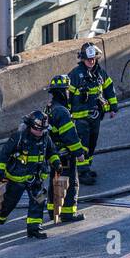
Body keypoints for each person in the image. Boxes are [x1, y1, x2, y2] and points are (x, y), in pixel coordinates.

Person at [0, 110, 56, 239]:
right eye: (38, 130)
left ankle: (34, 229)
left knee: (39, 200)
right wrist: (0, 171)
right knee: (9, 203)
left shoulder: (46, 137)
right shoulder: (19, 137)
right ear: (31, 126)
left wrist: (57, 162)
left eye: (43, 130)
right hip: (17, 179)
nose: (40, 132)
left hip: (36, 178)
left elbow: (51, 152)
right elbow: (4, 154)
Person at [67, 42, 117, 186]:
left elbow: (109, 89)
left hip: (96, 117)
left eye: (93, 58)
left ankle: (86, 168)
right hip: (80, 118)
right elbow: (67, 96)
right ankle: (82, 172)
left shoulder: (100, 73)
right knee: (83, 146)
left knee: (92, 144)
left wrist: (113, 106)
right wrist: (68, 115)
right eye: (88, 59)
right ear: (82, 59)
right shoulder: (75, 75)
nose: (91, 61)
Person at [45, 74, 86, 222]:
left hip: (53, 155)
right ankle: (68, 213)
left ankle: (53, 211)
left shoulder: (50, 108)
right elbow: (69, 135)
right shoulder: (62, 111)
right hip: (64, 155)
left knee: (54, 182)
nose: (69, 94)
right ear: (63, 92)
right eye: (67, 91)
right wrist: (79, 153)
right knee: (70, 183)